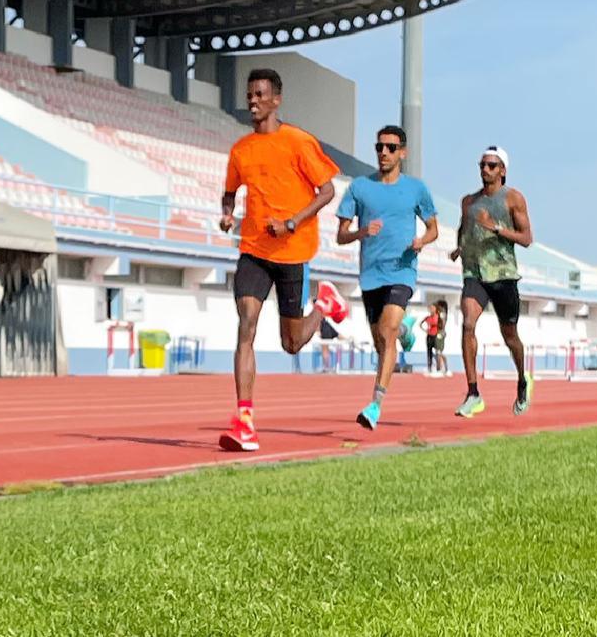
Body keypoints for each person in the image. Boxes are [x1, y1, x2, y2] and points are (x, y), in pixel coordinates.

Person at [218, 67, 348, 452]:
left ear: (277, 99)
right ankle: (245, 420)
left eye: (260, 95)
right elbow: (229, 192)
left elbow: (326, 192)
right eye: (249, 95)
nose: (253, 101)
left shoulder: (298, 143)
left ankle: (325, 305)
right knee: (247, 322)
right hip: (254, 250)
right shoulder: (240, 149)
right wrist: (227, 213)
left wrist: (292, 222)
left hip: (292, 252)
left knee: (291, 343)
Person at [336, 123, 439, 430]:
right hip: (370, 276)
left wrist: (422, 240)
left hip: (402, 271)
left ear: (402, 153)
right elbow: (341, 235)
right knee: (383, 343)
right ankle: (406, 334)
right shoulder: (359, 187)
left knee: (387, 329)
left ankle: (375, 405)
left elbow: (433, 228)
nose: (383, 152)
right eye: (379, 147)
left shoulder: (416, 188)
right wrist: (360, 232)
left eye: (391, 148)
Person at [451, 144, 534, 418]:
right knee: (467, 324)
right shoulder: (468, 202)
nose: (485, 170)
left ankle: (523, 379)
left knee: (510, 335)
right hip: (474, 273)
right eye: (482, 165)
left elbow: (526, 239)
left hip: (503, 275)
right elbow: (464, 229)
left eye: (491, 166)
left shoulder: (513, 199)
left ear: (503, 170)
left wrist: (497, 228)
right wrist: (460, 247)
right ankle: (473, 392)